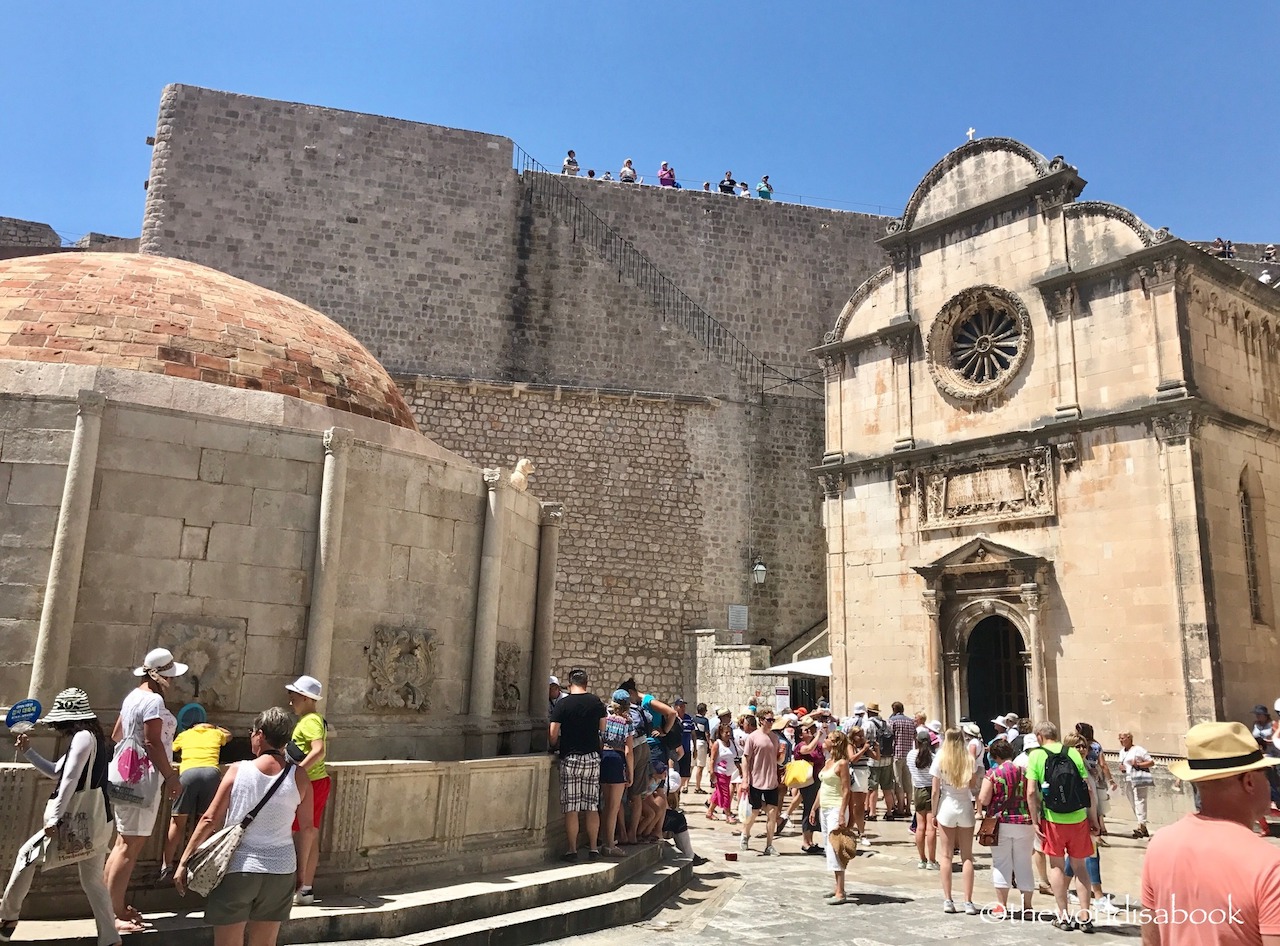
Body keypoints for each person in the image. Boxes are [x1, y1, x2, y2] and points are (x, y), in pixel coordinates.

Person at [174, 708, 312, 946]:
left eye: (251, 732)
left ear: (260, 734)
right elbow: (307, 829)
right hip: (281, 869)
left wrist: (184, 861)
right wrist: (302, 872)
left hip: (239, 867)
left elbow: (209, 819)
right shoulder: (299, 776)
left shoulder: (238, 770)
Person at [1141, 721, 1280, 946]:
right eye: (1267, 773)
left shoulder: (1160, 845)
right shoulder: (1269, 866)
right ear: (1249, 781)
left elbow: (1150, 940)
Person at [1, 688, 118, 946]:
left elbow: (68, 778)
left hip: (75, 817)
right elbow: (57, 771)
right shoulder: (93, 737)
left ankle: (7, 918)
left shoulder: (82, 738)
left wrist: (54, 817)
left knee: (26, 855)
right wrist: (29, 751)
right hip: (99, 819)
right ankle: (110, 938)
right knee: (92, 881)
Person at [105, 647, 186, 933]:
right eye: (170, 676)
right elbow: (152, 742)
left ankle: (111, 906)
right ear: (160, 676)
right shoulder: (152, 701)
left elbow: (116, 734)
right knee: (130, 846)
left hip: (123, 775)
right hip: (143, 778)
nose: (173, 682)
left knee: (122, 843)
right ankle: (111, 914)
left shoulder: (132, 698)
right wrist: (171, 776)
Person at [1026, 721, 1098, 932]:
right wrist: (1093, 818)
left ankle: (1064, 916)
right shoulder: (1073, 753)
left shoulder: (1036, 755)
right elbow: (1088, 791)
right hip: (1077, 818)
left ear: (1039, 736)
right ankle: (1085, 915)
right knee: (1080, 867)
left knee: (1056, 866)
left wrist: (1034, 820)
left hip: (1053, 819)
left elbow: (1031, 792)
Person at [161, 718, 231, 879]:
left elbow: (172, 747)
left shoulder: (185, 735)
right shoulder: (216, 733)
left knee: (177, 822)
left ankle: (167, 864)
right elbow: (229, 736)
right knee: (204, 822)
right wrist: (217, 726)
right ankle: (196, 863)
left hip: (188, 774)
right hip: (211, 774)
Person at [549, 668, 606, 860]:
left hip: (571, 758)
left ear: (569, 683)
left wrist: (554, 745)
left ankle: (572, 850)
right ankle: (593, 848)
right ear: (586, 683)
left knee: (571, 807)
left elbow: (553, 733)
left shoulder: (563, 704)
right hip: (591, 757)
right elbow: (602, 728)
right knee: (591, 805)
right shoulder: (596, 702)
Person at [978, 736, 1033, 920]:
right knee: (1024, 863)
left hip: (1000, 823)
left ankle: (1002, 905)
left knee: (1001, 863)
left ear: (995, 756)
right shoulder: (1025, 772)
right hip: (1024, 821)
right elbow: (1033, 795)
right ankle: (1027, 906)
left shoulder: (993, 774)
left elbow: (984, 799)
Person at [285, 675, 328, 905]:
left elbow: (318, 750)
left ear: (304, 697)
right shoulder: (312, 719)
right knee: (309, 833)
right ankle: (305, 888)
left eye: (293, 698)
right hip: (314, 781)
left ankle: (301, 887)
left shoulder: (310, 720)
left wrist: (298, 772)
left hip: (310, 782)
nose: (290, 703)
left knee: (304, 833)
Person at [932, 728, 978, 915]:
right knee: (967, 856)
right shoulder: (968, 758)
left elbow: (935, 790)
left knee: (946, 855)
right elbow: (973, 785)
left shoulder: (941, 757)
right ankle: (968, 901)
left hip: (947, 805)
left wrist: (933, 813)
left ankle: (948, 899)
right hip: (965, 804)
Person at [811, 730, 852, 904]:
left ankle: (841, 891)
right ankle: (837, 886)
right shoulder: (828, 762)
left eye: (827, 738)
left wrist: (842, 813)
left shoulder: (842, 764)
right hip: (825, 808)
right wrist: (814, 808)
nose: (824, 740)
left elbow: (846, 790)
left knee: (837, 848)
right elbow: (822, 787)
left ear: (835, 743)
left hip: (836, 808)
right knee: (829, 847)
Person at [741, 707, 783, 855]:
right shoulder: (752, 737)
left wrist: (782, 756)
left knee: (772, 813)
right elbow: (745, 759)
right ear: (761, 720)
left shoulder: (775, 738)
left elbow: (777, 760)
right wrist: (745, 780)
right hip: (756, 780)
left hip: (771, 781)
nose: (771, 723)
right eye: (768, 720)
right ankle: (745, 834)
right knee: (754, 811)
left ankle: (769, 845)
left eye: (773, 720)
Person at [599, 692, 633, 857]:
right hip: (617, 759)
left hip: (604, 757)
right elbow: (629, 751)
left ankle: (604, 840)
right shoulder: (627, 723)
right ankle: (610, 845)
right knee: (614, 806)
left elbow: (599, 740)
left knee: (606, 804)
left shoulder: (605, 719)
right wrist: (630, 773)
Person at [1075, 722, 1118, 846]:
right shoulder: (1096, 745)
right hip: (1096, 776)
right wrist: (1110, 780)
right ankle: (1099, 831)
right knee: (1096, 805)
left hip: (1084, 774)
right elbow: (1103, 764)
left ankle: (1093, 834)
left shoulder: (1078, 745)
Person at [794, 717, 826, 854]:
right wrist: (818, 735)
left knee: (815, 809)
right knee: (808, 809)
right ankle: (805, 841)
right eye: (806, 730)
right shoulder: (800, 746)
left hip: (817, 780)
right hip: (807, 782)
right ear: (801, 735)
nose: (810, 731)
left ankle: (811, 840)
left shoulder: (817, 745)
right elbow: (807, 749)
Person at [907, 730, 939, 870]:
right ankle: (932, 860)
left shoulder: (911, 755)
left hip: (918, 790)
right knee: (931, 827)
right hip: (930, 789)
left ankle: (922, 859)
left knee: (920, 827)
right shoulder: (934, 757)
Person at [1118, 729, 1155, 838]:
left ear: (1129, 738)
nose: (1121, 740)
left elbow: (1151, 762)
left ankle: (1141, 825)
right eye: (1119, 738)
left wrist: (1138, 764)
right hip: (1128, 778)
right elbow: (1122, 764)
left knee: (1140, 800)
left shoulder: (1139, 750)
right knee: (1133, 801)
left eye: (1123, 738)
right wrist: (1122, 768)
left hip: (1139, 778)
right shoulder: (1121, 752)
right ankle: (1142, 825)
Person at [864, 704, 896, 822]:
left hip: (873, 760)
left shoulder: (868, 724)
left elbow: (864, 739)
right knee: (887, 787)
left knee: (873, 787)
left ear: (868, 712)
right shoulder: (887, 723)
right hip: (887, 758)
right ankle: (889, 812)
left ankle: (872, 812)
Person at [888, 702, 915, 820]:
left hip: (897, 754)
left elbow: (889, 737)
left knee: (898, 781)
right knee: (908, 782)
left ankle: (900, 807)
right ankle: (908, 808)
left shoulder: (892, 721)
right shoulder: (911, 721)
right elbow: (915, 736)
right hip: (908, 755)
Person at [708, 713, 738, 823]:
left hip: (728, 773)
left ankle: (710, 812)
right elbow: (712, 759)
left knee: (718, 792)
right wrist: (711, 772)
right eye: (726, 732)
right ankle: (728, 815)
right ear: (721, 733)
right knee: (725, 794)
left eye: (729, 732)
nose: (728, 734)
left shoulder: (731, 743)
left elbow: (735, 758)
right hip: (719, 772)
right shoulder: (717, 744)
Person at [846, 725, 873, 842]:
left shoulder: (864, 747)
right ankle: (860, 832)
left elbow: (876, 757)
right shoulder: (850, 746)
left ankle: (854, 830)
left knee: (859, 805)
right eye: (859, 735)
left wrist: (874, 748)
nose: (862, 737)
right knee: (856, 806)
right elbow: (852, 759)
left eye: (863, 735)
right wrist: (863, 750)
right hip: (855, 775)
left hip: (864, 774)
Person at [674, 699, 694, 797]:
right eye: (681, 706)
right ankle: (675, 795)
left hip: (686, 750)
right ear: (676, 707)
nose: (683, 708)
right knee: (675, 772)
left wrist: (695, 749)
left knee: (685, 774)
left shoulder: (688, 718)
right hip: (675, 751)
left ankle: (678, 792)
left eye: (684, 706)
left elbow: (693, 733)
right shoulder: (672, 718)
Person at [691, 703, 712, 794]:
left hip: (692, 742)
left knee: (691, 765)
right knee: (700, 765)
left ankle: (685, 785)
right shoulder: (704, 720)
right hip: (701, 742)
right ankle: (697, 786)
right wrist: (709, 743)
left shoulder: (692, 719)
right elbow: (706, 733)